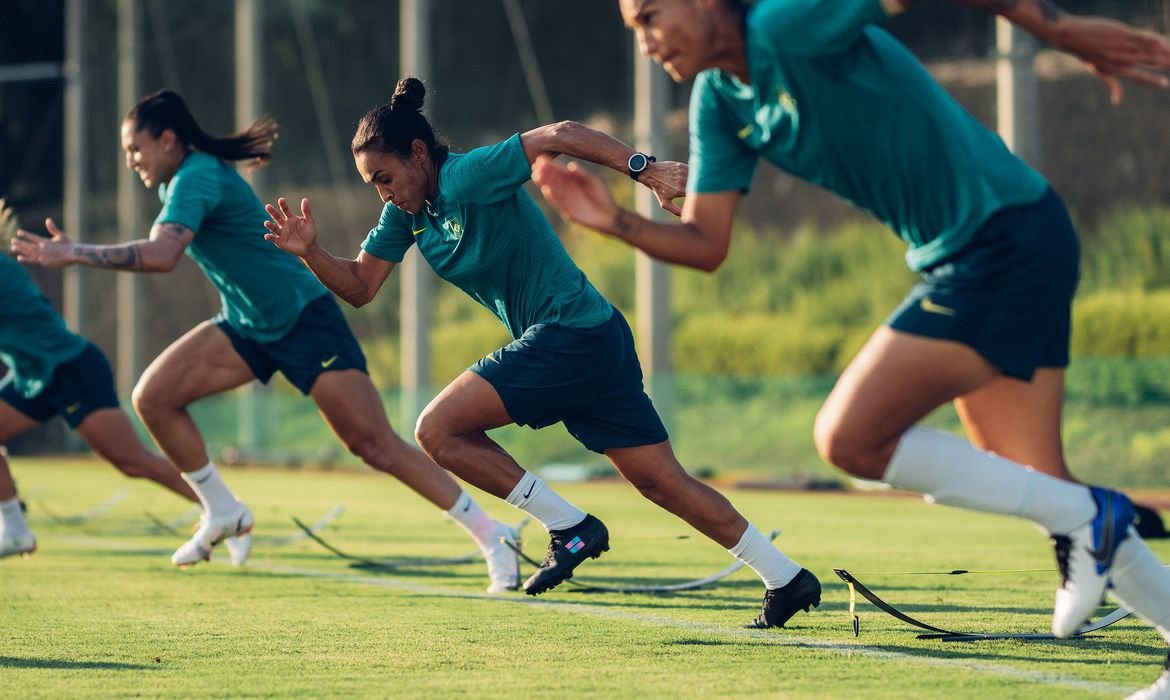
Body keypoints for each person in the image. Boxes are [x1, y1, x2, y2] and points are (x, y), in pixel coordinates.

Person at [531, 0, 1170, 690]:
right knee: (1036, 478)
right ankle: (1107, 548)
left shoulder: (786, 24)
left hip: (1003, 239)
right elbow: (707, 243)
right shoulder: (719, 100)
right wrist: (614, 222)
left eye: (651, 16)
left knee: (851, 438)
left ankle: (1088, 515)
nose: (646, 42)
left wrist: (1058, 30)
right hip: (980, 250)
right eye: (633, 28)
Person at [262, 76, 821, 628]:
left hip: (571, 332)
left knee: (437, 429)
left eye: (383, 177)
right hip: (589, 338)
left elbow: (561, 133)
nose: (380, 191)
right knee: (659, 482)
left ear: (417, 153)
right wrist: (310, 252)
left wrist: (645, 170)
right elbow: (360, 287)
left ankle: (569, 526)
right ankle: (786, 577)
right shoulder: (406, 216)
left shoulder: (467, 174)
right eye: (371, 184)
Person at [11, 91, 520, 592]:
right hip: (247, 324)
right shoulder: (179, 184)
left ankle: (493, 534)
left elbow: (164, 255)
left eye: (135, 149)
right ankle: (224, 511)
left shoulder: (197, 175)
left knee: (374, 444)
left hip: (302, 318)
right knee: (154, 397)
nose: (132, 161)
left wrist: (76, 252)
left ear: (168, 140)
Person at [0, 225, 207, 560]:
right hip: (32, 376)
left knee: (133, 462)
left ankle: (221, 509)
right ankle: (15, 530)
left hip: (71, 370)